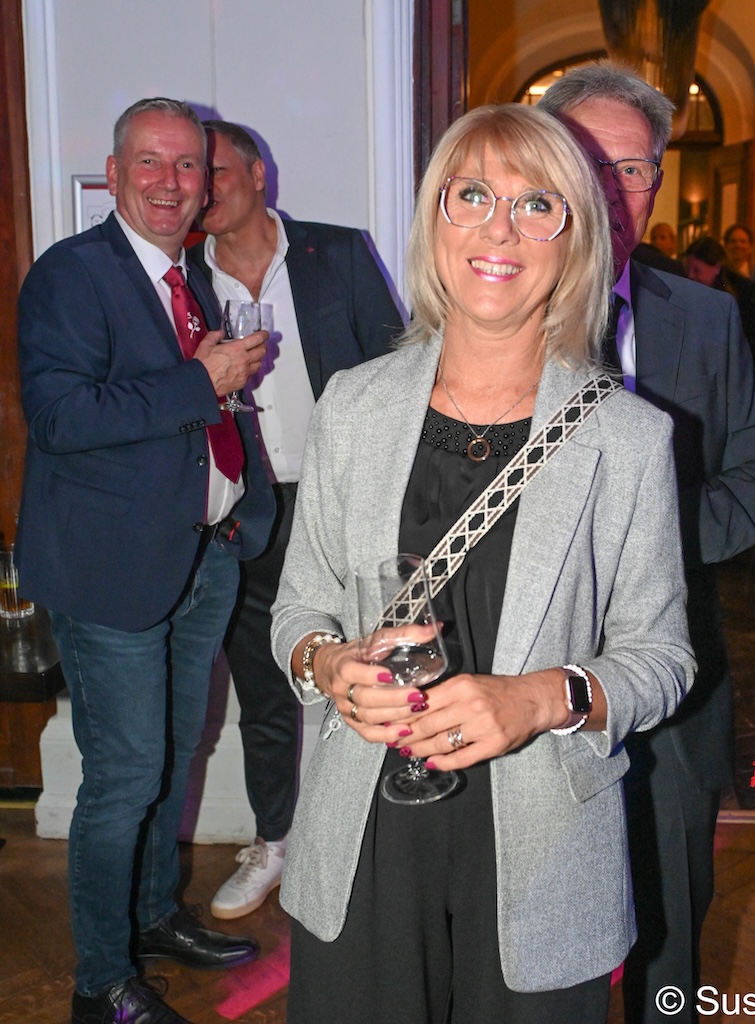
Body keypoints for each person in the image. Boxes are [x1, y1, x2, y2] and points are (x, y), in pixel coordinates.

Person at [269, 102, 693, 1024]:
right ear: (435, 221)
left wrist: (541, 699)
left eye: (537, 204)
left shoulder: (629, 438)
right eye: (471, 196)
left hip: (541, 842)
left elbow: (662, 658)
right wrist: (328, 666)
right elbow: (298, 608)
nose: (499, 229)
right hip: (364, 833)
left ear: (576, 240)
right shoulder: (353, 406)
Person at [539, 63, 755, 1024]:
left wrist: (655, 540)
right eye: (587, 162)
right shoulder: (485, 313)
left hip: (677, 663)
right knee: (533, 914)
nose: (612, 190)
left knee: (674, 902)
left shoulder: (707, 316)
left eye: (635, 169)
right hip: (522, 670)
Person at [16, 98, 275, 1024]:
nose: (171, 182)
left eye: (188, 165)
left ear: (207, 183)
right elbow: (62, 418)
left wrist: (236, 498)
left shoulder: (186, 275)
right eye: (151, 163)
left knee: (171, 754)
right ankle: (100, 984)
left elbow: (179, 411)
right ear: (114, 175)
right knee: (125, 775)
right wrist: (199, 379)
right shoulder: (72, 274)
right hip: (112, 570)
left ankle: (153, 916)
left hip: (199, 556)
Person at [187, 119, 403, 920]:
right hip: (245, 511)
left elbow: (398, 367)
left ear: (257, 175)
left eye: (215, 170)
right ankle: (275, 842)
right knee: (265, 689)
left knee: (377, 671)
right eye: (194, 174)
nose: (202, 188)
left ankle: (378, 841)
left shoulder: (335, 252)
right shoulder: (186, 277)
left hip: (344, 503)